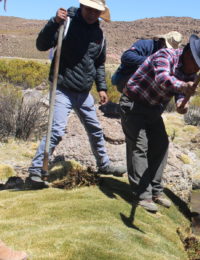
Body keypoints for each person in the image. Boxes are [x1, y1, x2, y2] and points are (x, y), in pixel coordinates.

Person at [26, 0, 126, 189]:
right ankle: (36, 171)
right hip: (62, 87)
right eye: (89, 9)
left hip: (84, 92)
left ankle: (104, 164)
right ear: (81, 7)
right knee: (55, 130)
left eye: (96, 11)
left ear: (101, 13)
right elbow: (41, 44)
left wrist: (102, 88)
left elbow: (98, 64)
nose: (91, 13)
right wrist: (54, 22)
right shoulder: (66, 23)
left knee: (95, 129)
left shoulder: (99, 35)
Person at [120, 35, 200, 213]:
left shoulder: (190, 72)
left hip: (153, 109)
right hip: (133, 104)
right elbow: (163, 79)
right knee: (139, 146)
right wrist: (183, 87)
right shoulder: (165, 55)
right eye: (195, 63)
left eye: (198, 66)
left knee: (161, 145)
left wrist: (181, 103)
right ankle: (143, 194)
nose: (195, 69)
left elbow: (180, 93)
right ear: (187, 53)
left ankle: (155, 190)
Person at [111, 31, 183, 92]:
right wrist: (150, 60)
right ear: (162, 40)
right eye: (166, 46)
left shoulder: (170, 56)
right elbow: (126, 57)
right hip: (125, 78)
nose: (167, 50)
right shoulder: (145, 44)